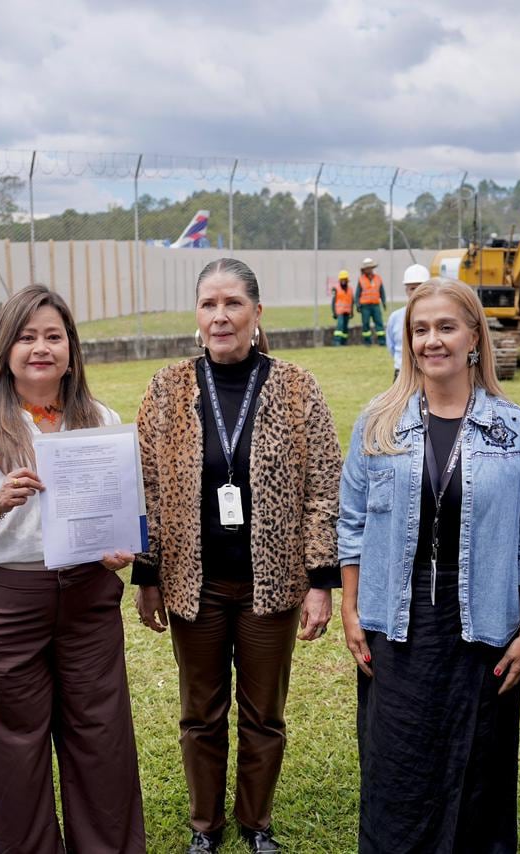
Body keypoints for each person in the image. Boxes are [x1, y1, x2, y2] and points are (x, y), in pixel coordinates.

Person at [0, 284, 144, 853]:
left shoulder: (99, 418)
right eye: (26, 337)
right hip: (6, 603)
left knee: (103, 744)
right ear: (4, 349)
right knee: (13, 756)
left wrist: (121, 548)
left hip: (89, 599)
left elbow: (125, 516)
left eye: (53, 336)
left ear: (71, 348)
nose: (40, 348)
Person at [132, 257, 342, 854]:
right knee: (200, 714)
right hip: (193, 587)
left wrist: (321, 578)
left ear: (256, 311)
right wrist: (147, 575)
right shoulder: (168, 388)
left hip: (271, 585)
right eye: (208, 304)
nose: (220, 316)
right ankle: (205, 827)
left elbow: (325, 484)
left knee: (264, 716)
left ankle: (256, 824)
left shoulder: (296, 386)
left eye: (232, 304)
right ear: (196, 315)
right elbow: (146, 484)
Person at [339, 278, 520, 852]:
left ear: (474, 336)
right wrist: (351, 610)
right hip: (397, 618)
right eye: (421, 329)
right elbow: (351, 523)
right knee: (398, 762)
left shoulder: (513, 428)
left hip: (483, 618)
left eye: (446, 327)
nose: (433, 341)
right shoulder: (378, 422)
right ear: (408, 340)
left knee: (478, 763)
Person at [385, 263, 432, 379]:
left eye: (421, 287)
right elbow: (391, 346)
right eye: (412, 288)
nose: (417, 292)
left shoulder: (439, 316)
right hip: (401, 374)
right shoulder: (395, 317)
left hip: (428, 374)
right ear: (406, 290)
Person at [356, 257, 387, 346]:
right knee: (365, 324)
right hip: (365, 306)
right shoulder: (361, 279)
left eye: (370, 267)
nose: (369, 269)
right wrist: (357, 305)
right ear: (364, 269)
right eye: (367, 268)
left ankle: (382, 341)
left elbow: (382, 291)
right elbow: (357, 294)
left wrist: (384, 302)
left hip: (375, 305)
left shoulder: (378, 278)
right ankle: (367, 342)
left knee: (379, 323)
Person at [331, 269, 355, 346]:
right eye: (342, 279)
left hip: (347, 312)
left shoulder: (350, 289)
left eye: (345, 279)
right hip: (339, 312)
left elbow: (352, 301)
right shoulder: (336, 289)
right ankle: (337, 341)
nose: (343, 281)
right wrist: (334, 312)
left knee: (345, 328)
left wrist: (352, 312)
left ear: (347, 280)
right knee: (339, 326)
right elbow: (333, 302)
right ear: (340, 280)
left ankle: (344, 342)